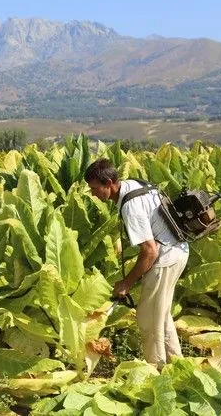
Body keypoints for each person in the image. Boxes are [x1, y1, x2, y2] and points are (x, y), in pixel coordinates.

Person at [84, 158, 189, 370]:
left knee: (148, 319)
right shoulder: (135, 184)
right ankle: (177, 364)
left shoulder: (130, 206)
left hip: (166, 258)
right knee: (161, 314)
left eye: (95, 189)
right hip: (179, 251)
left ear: (110, 183)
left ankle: (156, 369)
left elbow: (150, 251)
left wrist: (126, 283)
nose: (93, 194)